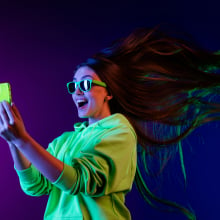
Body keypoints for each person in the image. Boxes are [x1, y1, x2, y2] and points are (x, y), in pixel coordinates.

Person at [0, 25, 220, 220]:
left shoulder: (119, 130)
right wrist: (13, 140)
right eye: (73, 85)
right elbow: (35, 186)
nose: (76, 91)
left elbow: (76, 181)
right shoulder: (66, 141)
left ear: (108, 93)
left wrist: (23, 140)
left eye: (85, 84)